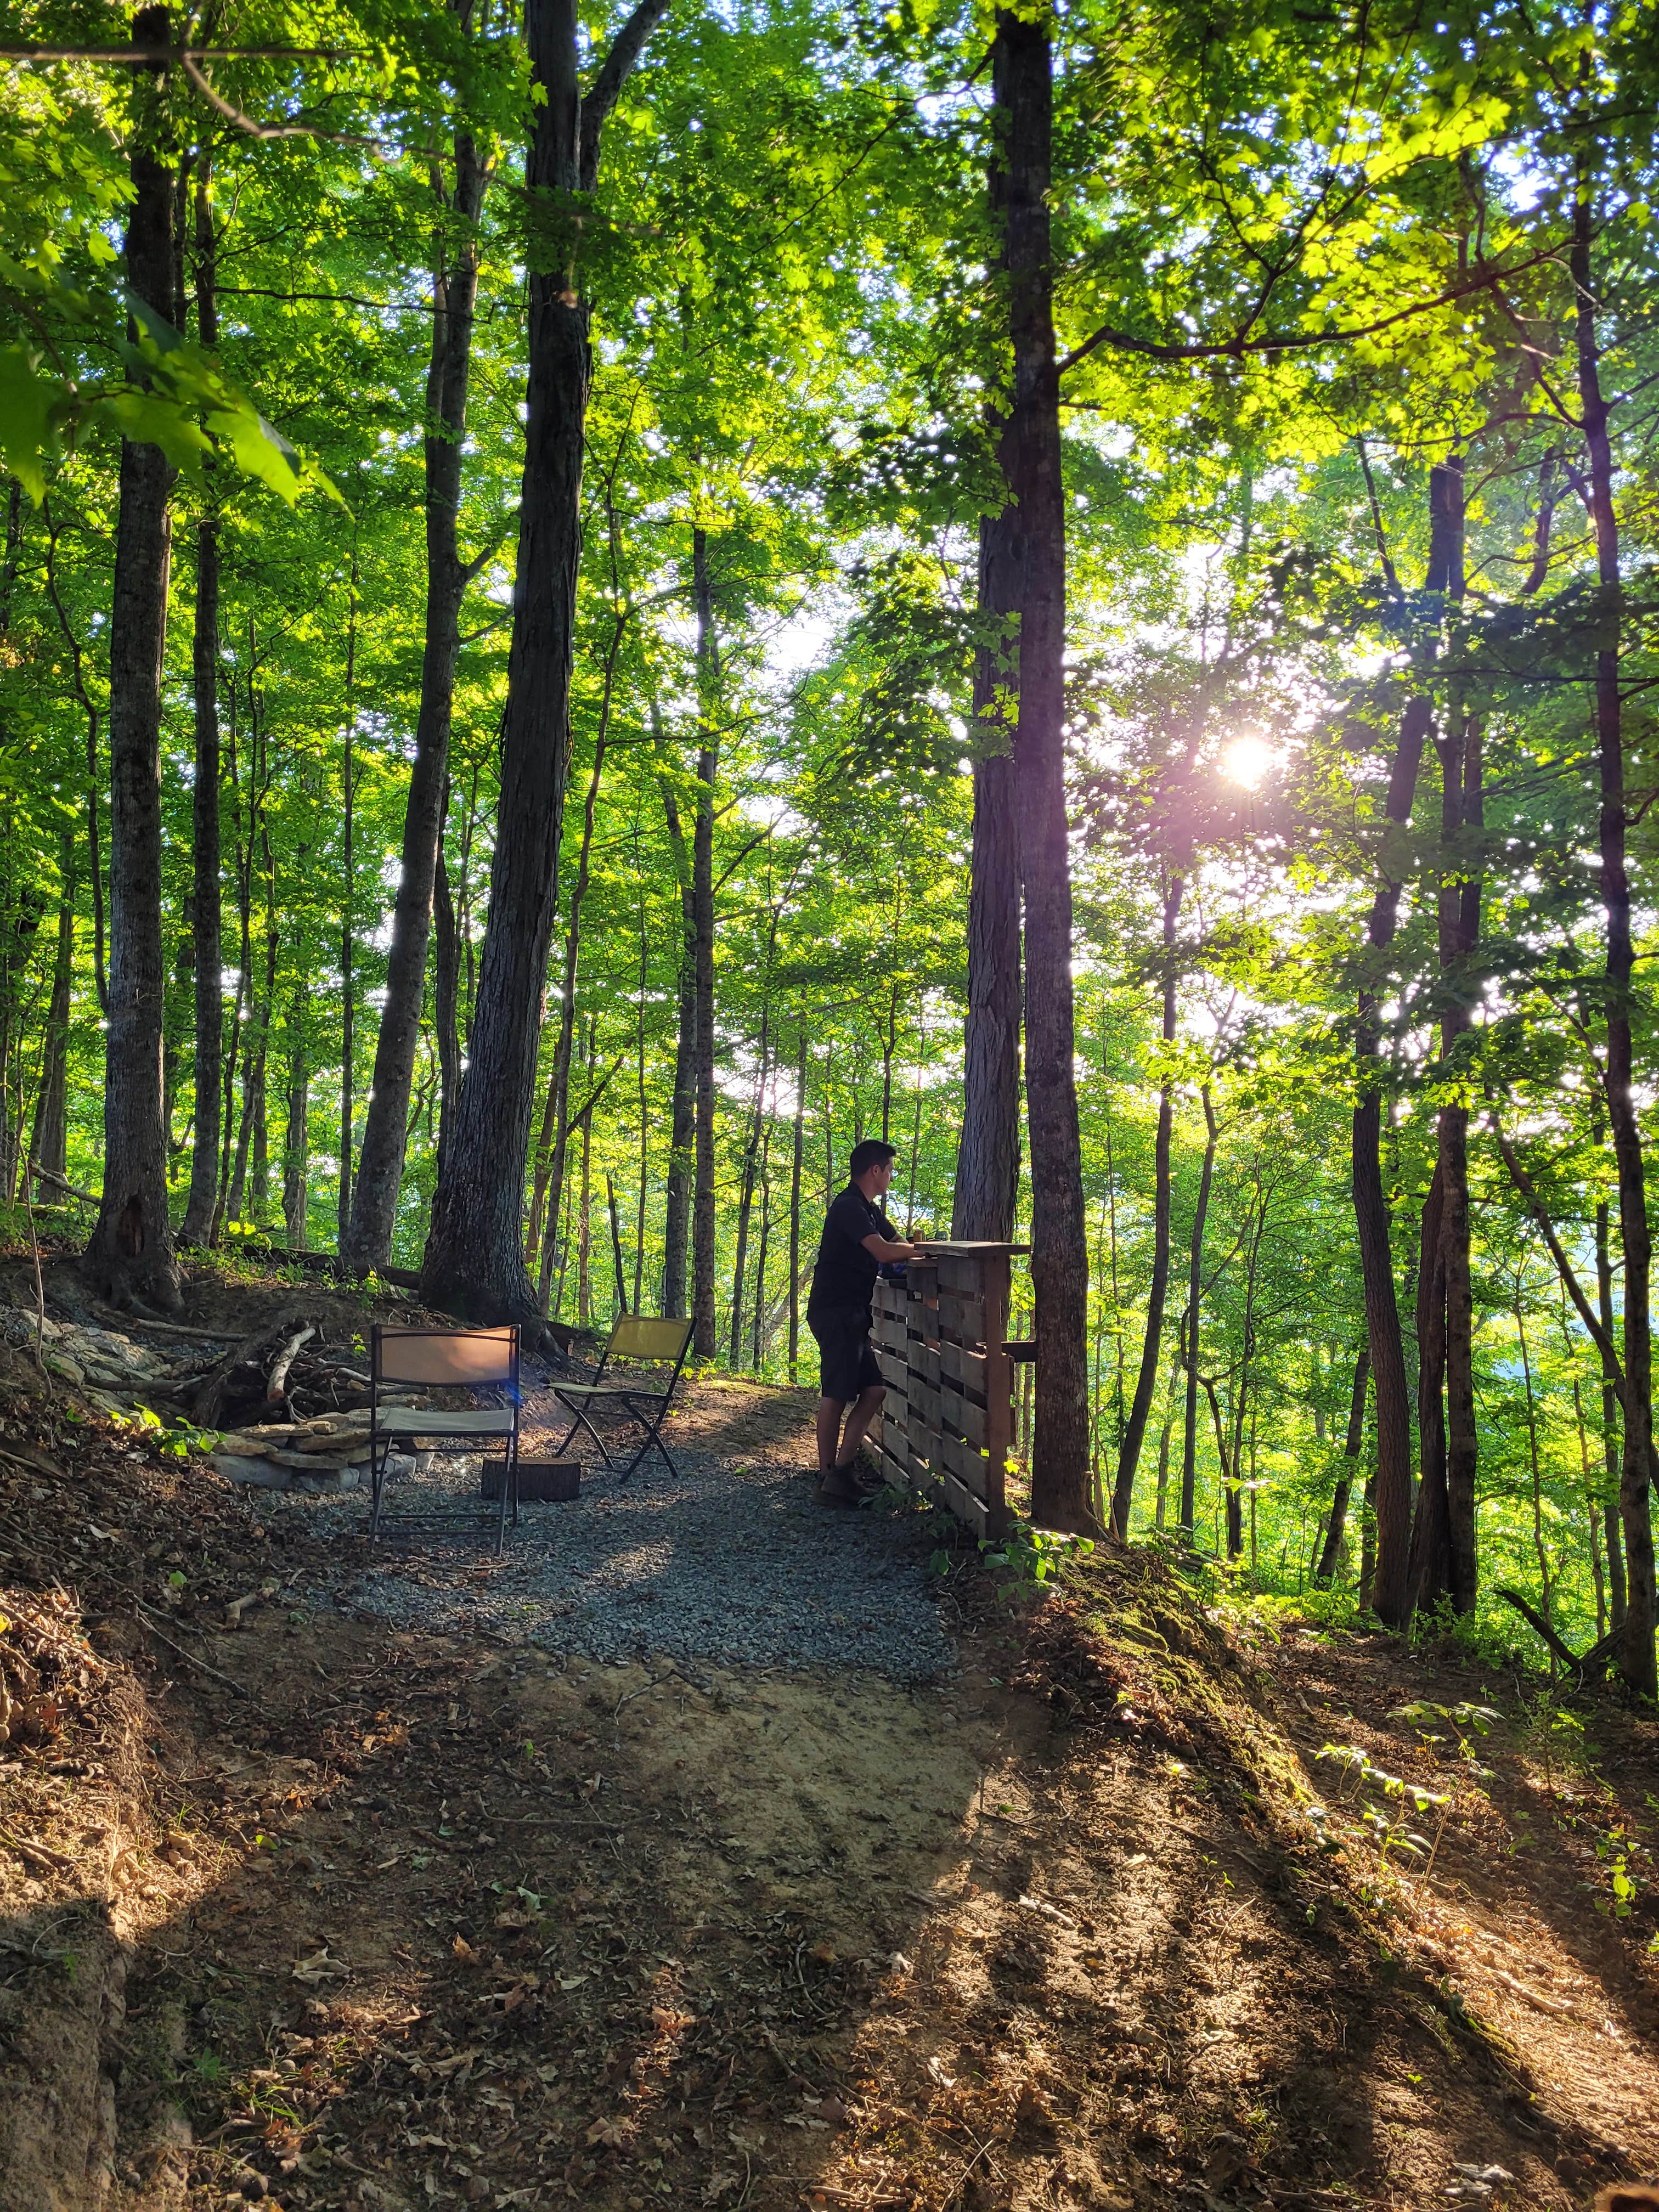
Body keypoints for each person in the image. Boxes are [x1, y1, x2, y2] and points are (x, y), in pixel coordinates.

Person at [806, 1138, 918, 1506]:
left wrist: (915, 1249)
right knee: (836, 1395)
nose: (891, 1177)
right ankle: (828, 1477)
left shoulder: (868, 1209)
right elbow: (884, 1251)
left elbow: (894, 1240)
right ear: (875, 1170)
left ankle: (841, 1472)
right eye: (890, 1171)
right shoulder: (848, 1207)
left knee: (874, 1391)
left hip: (853, 1314)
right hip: (835, 1312)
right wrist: (920, 1250)